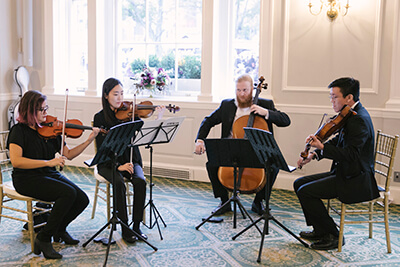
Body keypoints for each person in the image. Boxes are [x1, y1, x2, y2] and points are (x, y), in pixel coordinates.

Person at [7, 90, 100, 259]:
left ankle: (59, 229)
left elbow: (69, 154)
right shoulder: (18, 131)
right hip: (26, 178)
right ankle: (44, 237)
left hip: (48, 174)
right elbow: (16, 161)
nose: (46, 113)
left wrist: (89, 140)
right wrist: (48, 162)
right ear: (30, 111)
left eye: (46, 108)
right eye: (42, 109)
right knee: (67, 194)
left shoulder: (51, 130)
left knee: (82, 199)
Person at [294, 77, 380, 250]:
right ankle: (320, 229)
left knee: (306, 191)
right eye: (331, 97)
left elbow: (351, 154)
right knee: (299, 183)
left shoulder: (359, 119)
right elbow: (337, 142)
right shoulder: (350, 115)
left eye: (334, 97)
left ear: (349, 98)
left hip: (356, 179)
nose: (332, 101)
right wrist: (314, 154)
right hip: (345, 173)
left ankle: (333, 235)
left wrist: (322, 146)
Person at [194, 74, 291, 216]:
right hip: (232, 148)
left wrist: (266, 113)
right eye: (238, 90)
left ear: (252, 89)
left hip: (256, 151)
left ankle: (259, 202)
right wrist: (200, 139)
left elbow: (285, 121)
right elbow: (208, 121)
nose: (241, 94)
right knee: (212, 164)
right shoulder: (227, 104)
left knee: (273, 167)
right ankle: (224, 201)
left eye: (245, 90)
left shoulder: (265, 104)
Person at [93, 78, 165, 244]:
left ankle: (137, 226)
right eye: (115, 94)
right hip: (108, 162)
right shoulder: (99, 118)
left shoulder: (131, 115)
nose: (120, 98)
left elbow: (145, 132)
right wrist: (118, 166)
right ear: (106, 95)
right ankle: (125, 229)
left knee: (140, 181)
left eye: (122, 93)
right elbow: (102, 148)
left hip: (131, 158)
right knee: (118, 184)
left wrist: (158, 116)